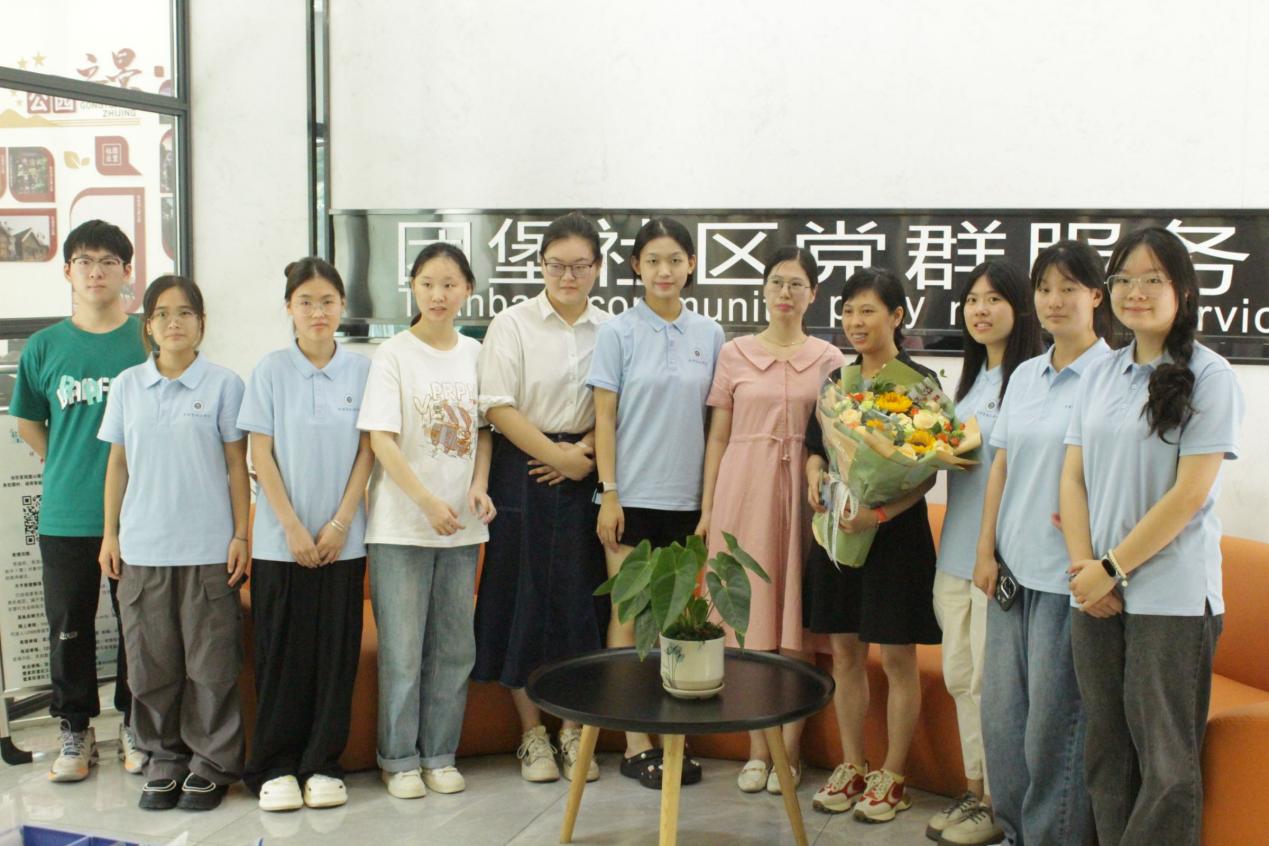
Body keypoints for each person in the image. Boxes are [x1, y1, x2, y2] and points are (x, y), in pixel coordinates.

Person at [1062, 227, 1242, 846]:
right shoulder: (1101, 372)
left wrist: (1110, 569)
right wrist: (1084, 570)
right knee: (1106, 750)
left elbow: (1188, 495)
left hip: (1171, 597)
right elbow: (1073, 478)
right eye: (1123, 279)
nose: (1135, 292)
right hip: (1095, 591)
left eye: (1152, 280)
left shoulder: (1211, 375)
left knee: (1165, 763)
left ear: (1183, 290)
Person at [974, 240, 1114, 845]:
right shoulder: (1027, 374)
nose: (1054, 301)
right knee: (1003, 722)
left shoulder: (1115, 375)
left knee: (1053, 732)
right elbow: (1001, 467)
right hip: (1012, 574)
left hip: (1068, 581)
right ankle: (1012, 833)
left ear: (1096, 296)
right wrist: (984, 550)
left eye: (1069, 288)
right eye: (1045, 289)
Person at [97, 275, 249, 811]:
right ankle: (164, 760)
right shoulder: (127, 386)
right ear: (148, 326)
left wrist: (241, 534)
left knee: (211, 667)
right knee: (150, 667)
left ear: (201, 323)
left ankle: (212, 765)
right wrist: (111, 533)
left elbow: (237, 466)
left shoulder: (224, 384)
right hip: (143, 550)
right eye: (161, 314)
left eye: (185, 313)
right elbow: (118, 464)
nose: (173, 323)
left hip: (208, 550)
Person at [697, 246, 843, 795]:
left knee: (797, 625)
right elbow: (717, 437)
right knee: (750, 625)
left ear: (813, 295)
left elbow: (837, 440)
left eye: (797, 284)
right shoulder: (734, 353)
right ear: (763, 289)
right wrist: (709, 508)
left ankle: (791, 752)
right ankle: (758, 751)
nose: (786, 292)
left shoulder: (829, 358)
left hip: (805, 497)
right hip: (744, 493)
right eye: (778, 282)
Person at [587, 216, 724, 789]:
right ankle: (634, 742)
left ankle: (674, 741)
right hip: (631, 499)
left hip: (687, 502)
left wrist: (709, 506)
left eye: (674, 260)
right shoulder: (617, 333)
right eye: (652, 261)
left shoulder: (710, 334)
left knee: (677, 625)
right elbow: (604, 419)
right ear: (636, 267)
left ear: (691, 264)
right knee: (628, 619)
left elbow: (716, 427)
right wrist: (609, 493)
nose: (663, 270)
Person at [473, 212, 610, 784]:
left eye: (580, 265)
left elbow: (620, 405)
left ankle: (574, 729)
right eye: (557, 265)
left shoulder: (611, 329)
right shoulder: (512, 324)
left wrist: (584, 452)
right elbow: (496, 405)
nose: (568, 276)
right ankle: (532, 735)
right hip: (522, 468)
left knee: (581, 601)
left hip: (588, 468)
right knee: (519, 597)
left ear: (598, 268)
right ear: (541, 266)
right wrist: (556, 455)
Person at [9, 220, 148, 782]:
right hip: (67, 514)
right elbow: (28, 421)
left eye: (108, 262)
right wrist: (68, 461)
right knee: (69, 626)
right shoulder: (45, 346)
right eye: (85, 261)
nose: (96, 272)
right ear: (67, 270)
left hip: (140, 513)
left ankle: (135, 725)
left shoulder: (146, 340)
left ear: (127, 272)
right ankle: (75, 730)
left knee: (137, 625)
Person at [803, 267, 941, 824]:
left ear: (897, 316)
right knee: (845, 654)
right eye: (848, 311)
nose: (856, 322)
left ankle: (893, 774)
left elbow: (928, 473)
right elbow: (816, 447)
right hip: (839, 533)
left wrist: (878, 513)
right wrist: (815, 478)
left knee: (899, 658)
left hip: (896, 540)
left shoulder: (920, 383)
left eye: (868, 310)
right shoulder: (837, 382)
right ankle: (852, 764)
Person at [357, 242, 496, 800]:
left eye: (450, 284)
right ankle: (398, 759)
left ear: (468, 290)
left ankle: (440, 754)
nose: (438, 295)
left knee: (454, 649)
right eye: (428, 283)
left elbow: (484, 431)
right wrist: (426, 502)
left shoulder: (477, 353)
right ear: (412, 287)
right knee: (403, 651)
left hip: (461, 527)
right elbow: (381, 440)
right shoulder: (393, 354)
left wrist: (478, 485)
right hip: (401, 527)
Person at [238, 258, 374, 811]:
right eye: (306, 302)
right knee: (281, 656)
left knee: (336, 657)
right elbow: (260, 455)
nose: (318, 312)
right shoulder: (270, 370)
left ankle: (322, 764)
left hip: (345, 542)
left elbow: (368, 453)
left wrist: (340, 523)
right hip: (280, 544)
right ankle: (274, 767)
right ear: (289, 309)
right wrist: (291, 527)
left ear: (343, 306)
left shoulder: (363, 371)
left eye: (328, 302)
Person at [926, 261, 1041, 845]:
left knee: (992, 690)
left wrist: (990, 552)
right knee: (959, 676)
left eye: (994, 299)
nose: (980, 310)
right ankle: (975, 791)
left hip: (997, 560)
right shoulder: (969, 383)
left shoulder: (1031, 380)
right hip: (954, 553)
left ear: (1019, 308)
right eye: (972, 299)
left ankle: (999, 802)